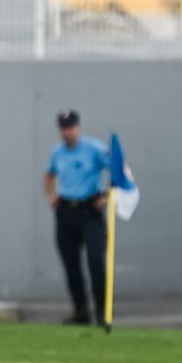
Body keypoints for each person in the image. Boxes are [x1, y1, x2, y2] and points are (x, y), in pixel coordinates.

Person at [43, 109, 110, 327]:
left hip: (90, 211)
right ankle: (80, 311)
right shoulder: (57, 152)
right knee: (71, 264)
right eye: (64, 128)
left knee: (95, 263)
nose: (67, 132)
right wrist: (52, 197)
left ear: (78, 127)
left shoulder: (95, 149)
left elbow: (119, 170)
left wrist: (107, 196)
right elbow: (49, 175)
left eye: (71, 127)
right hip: (66, 211)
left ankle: (102, 310)